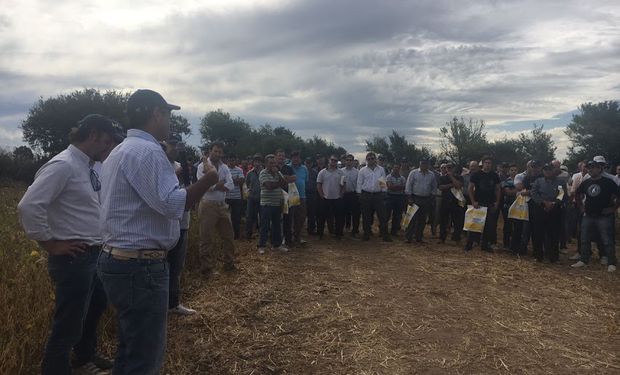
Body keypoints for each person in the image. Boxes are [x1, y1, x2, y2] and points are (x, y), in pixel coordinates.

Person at [97, 90, 219, 374]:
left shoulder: (120, 150)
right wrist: (209, 179)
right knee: (144, 357)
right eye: (168, 114)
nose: (170, 122)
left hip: (119, 259)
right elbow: (172, 204)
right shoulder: (149, 151)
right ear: (155, 114)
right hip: (140, 266)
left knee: (130, 347)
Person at [18, 114, 122, 375]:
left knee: (94, 309)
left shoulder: (89, 166)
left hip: (95, 253)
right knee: (69, 322)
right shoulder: (62, 165)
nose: (108, 148)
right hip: (74, 258)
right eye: (107, 141)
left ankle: (84, 358)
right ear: (94, 134)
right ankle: (56, 369)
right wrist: (50, 244)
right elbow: (29, 206)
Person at [162, 134, 197, 316]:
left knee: (176, 266)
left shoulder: (181, 166)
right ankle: (161, 304)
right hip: (165, 225)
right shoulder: (161, 166)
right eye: (172, 144)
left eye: (178, 145)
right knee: (163, 266)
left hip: (183, 222)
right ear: (165, 145)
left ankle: (173, 303)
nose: (175, 148)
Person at [196, 142, 237, 276]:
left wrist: (215, 185)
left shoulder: (224, 167)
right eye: (215, 151)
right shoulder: (202, 166)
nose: (217, 154)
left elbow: (231, 184)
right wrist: (218, 185)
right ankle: (206, 268)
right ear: (210, 151)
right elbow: (203, 186)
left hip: (222, 205)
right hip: (208, 205)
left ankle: (229, 263)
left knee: (229, 236)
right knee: (206, 237)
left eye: (220, 152)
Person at [571, 161, 619, 272]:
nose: (591, 170)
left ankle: (611, 262)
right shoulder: (586, 182)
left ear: (599, 169)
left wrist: (613, 208)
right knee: (584, 238)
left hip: (604, 216)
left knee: (607, 240)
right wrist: (581, 207)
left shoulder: (608, 182)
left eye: (593, 168)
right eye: (589, 168)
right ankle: (584, 260)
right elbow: (577, 194)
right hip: (588, 215)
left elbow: (618, 194)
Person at [530, 163, 568, 263]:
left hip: (555, 210)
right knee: (538, 234)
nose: (547, 171)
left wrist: (554, 203)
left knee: (554, 234)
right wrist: (543, 202)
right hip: (540, 210)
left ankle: (554, 257)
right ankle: (538, 256)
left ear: (553, 170)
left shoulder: (560, 182)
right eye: (545, 170)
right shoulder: (538, 181)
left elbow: (562, 194)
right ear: (543, 171)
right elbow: (534, 193)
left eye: (549, 169)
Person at [465, 156, 501, 252]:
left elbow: (497, 189)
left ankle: (485, 245)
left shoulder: (495, 175)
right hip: (478, 203)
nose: (488, 165)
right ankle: (469, 245)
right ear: (483, 164)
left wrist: (497, 202)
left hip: (490, 203)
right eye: (486, 163)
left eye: (489, 163)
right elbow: (470, 188)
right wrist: (473, 202)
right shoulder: (476, 175)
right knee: (474, 225)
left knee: (489, 227)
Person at [356, 152, 391, 242]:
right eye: (369, 159)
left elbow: (382, 182)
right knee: (366, 216)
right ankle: (366, 234)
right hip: (366, 195)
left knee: (382, 216)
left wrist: (384, 192)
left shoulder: (381, 169)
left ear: (375, 159)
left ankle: (385, 235)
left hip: (378, 195)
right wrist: (359, 194)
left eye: (372, 158)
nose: (371, 160)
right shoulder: (362, 170)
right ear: (366, 160)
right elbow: (359, 183)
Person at [258, 154, 288, 253]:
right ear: (266, 164)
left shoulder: (277, 173)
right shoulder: (263, 173)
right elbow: (269, 186)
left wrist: (278, 174)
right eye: (270, 163)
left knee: (277, 226)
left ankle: (277, 245)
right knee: (265, 226)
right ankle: (261, 246)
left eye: (274, 163)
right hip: (266, 204)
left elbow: (284, 183)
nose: (273, 165)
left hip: (277, 203)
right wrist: (278, 183)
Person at [404, 159, 437, 244]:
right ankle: (408, 237)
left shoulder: (431, 175)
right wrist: (409, 197)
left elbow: (434, 187)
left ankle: (419, 237)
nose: (424, 165)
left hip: (426, 199)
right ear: (419, 164)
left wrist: (432, 197)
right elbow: (408, 185)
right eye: (422, 164)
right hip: (415, 198)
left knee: (422, 220)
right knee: (411, 218)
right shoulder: (413, 173)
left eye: (425, 164)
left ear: (428, 165)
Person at [317, 155, 346, 239]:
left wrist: (341, 194)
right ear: (329, 160)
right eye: (332, 160)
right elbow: (319, 184)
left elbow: (344, 185)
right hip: (325, 198)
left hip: (337, 198)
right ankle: (320, 234)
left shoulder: (341, 172)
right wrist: (322, 195)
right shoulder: (322, 172)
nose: (334, 162)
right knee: (322, 217)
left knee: (338, 217)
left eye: (335, 161)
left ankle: (338, 234)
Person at [438, 163, 465, 244]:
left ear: (454, 168)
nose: (449, 169)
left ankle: (456, 238)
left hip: (456, 202)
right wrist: (452, 185)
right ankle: (442, 238)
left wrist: (451, 177)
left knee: (457, 221)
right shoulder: (442, 178)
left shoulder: (459, 177)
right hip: (445, 202)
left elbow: (459, 185)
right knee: (443, 221)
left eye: (450, 167)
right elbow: (441, 187)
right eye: (447, 167)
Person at [276, 149, 297, 246]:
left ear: (285, 158)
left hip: (287, 197)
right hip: (274, 196)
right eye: (279, 155)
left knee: (287, 219)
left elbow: (294, 178)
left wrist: (284, 178)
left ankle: (288, 240)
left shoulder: (288, 168)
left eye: (282, 156)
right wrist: (285, 179)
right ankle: (276, 240)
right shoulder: (272, 167)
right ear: (276, 156)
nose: (281, 157)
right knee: (275, 219)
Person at [289, 151, 309, 246]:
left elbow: (306, 181)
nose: (296, 159)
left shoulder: (304, 169)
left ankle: (297, 237)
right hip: (290, 197)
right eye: (294, 157)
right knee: (289, 218)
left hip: (302, 196)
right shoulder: (287, 167)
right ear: (291, 158)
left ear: (300, 158)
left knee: (301, 217)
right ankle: (288, 237)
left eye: (297, 157)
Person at [226, 154, 245, 240]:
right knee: (225, 218)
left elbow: (241, 182)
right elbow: (222, 181)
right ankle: (227, 235)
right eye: (230, 160)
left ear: (236, 161)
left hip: (237, 197)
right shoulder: (225, 170)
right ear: (228, 161)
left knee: (236, 218)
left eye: (233, 160)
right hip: (226, 197)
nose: (232, 162)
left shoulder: (239, 170)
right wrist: (235, 180)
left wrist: (230, 180)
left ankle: (236, 236)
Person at [341, 154, 360, 237]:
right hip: (343, 194)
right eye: (347, 160)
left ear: (353, 161)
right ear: (345, 161)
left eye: (350, 160)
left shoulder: (357, 172)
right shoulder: (341, 171)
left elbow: (358, 184)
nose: (349, 162)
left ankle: (355, 230)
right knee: (343, 213)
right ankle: (344, 228)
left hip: (353, 194)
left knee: (355, 214)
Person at [385, 162, 407, 236]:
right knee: (387, 215)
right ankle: (384, 231)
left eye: (398, 167)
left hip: (399, 198)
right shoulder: (388, 177)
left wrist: (395, 187)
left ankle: (393, 232)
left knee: (397, 215)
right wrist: (398, 187)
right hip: (390, 197)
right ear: (392, 168)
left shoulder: (402, 178)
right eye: (395, 167)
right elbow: (390, 187)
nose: (396, 169)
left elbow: (404, 187)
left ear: (400, 169)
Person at [245, 154, 263, 240]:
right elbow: (247, 184)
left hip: (262, 198)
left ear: (261, 162)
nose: (257, 163)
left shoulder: (264, 173)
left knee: (262, 217)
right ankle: (248, 235)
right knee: (249, 217)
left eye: (259, 161)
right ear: (253, 162)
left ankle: (262, 236)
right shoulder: (249, 173)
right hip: (251, 198)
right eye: (255, 161)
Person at [501, 164, 518, 251]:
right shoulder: (505, 181)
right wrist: (519, 189)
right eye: (512, 170)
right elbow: (508, 193)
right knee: (508, 225)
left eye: (515, 170)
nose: (513, 171)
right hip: (507, 206)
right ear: (509, 171)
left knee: (517, 226)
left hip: (518, 207)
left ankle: (515, 245)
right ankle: (506, 244)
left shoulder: (521, 180)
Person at [305, 156, 319, 235]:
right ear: (305, 163)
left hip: (313, 194)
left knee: (312, 213)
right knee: (302, 213)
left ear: (312, 164)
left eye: (310, 163)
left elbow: (318, 183)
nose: (308, 164)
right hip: (303, 194)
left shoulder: (315, 172)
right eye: (307, 162)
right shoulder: (302, 171)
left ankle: (311, 229)